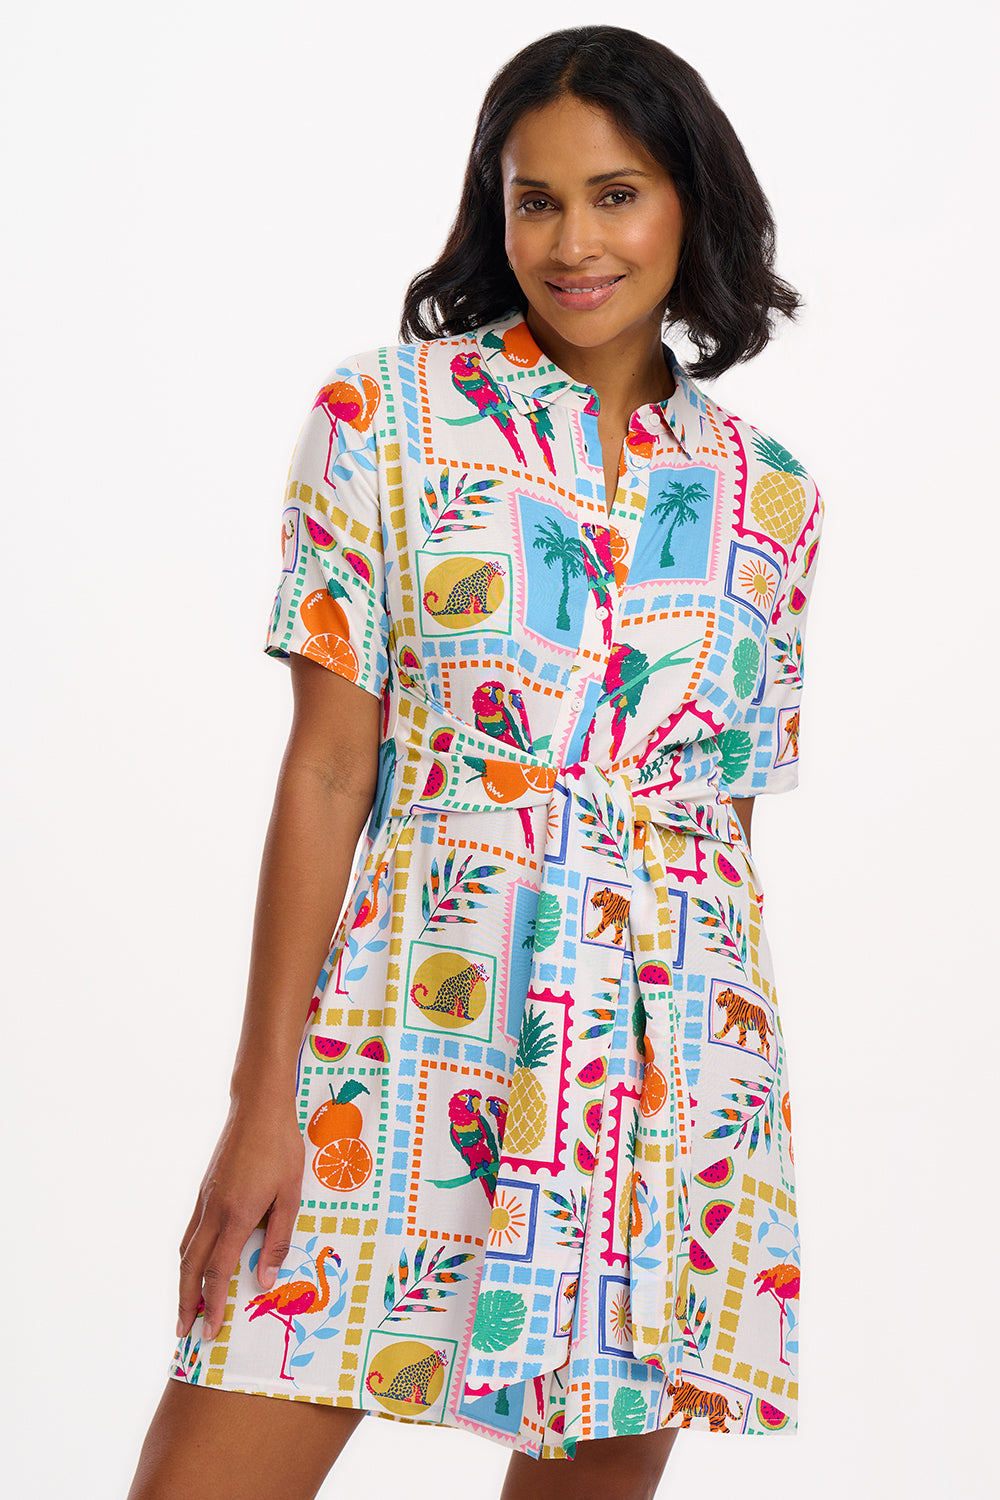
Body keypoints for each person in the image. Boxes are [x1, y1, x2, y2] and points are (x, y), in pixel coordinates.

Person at [127, 23, 823, 1500]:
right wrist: (262, 1101)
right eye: (536, 201)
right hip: (407, 1040)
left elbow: (726, 826)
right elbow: (328, 773)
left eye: (616, 195)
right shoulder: (382, 419)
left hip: (665, 1072)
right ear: (491, 213)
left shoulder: (772, 494)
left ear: (690, 203)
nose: (574, 243)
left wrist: (716, 1133)